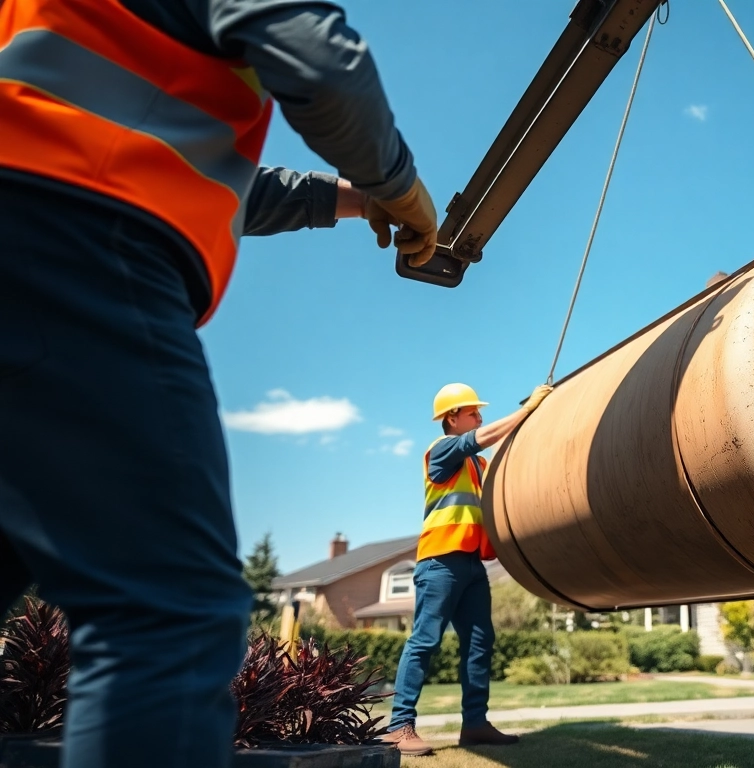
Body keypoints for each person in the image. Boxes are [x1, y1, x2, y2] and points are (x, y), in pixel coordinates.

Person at [0, 1, 439, 766]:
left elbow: (205, 170)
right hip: (78, 239)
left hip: (39, 219)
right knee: (170, 614)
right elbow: (318, 60)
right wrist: (397, 183)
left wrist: (355, 196)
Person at [382, 382, 553, 756]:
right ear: (451, 418)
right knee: (425, 640)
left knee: (480, 644)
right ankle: (398, 726)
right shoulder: (442, 449)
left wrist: (534, 418)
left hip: (473, 565)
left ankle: (474, 725)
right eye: (473, 412)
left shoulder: (478, 463)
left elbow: (501, 453)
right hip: (440, 561)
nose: (480, 417)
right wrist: (525, 411)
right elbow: (482, 437)